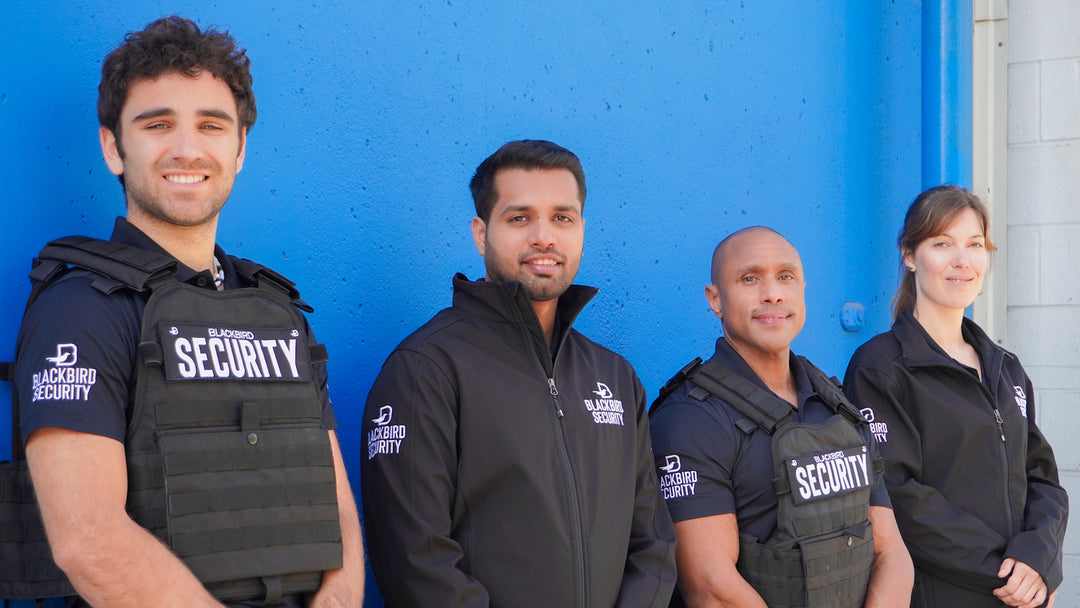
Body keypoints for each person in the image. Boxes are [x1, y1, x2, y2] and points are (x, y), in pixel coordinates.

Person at [12, 16, 364, 607]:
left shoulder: (279, 314)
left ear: (240, 148)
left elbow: (337, 514)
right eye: (157, 125)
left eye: (211, 125)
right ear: (112, 147)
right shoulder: (81, 311)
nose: (186, 149)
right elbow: (87, 541)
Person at [360, 139, 678, 607]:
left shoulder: (614, 376)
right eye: (519, 217)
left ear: (582, 230)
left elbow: (653, 545)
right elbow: (416, 562)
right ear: (480, 232)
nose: (544, 237)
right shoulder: (426, 369)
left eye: (562, 218)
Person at [649, 226, 913, 608]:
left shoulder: (837, 404)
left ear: (802, 289)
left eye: (785, 277)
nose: (772, 293)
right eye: (749, 278)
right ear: (715, 299)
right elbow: (710, 587)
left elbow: (891, 553)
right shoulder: (688, 419)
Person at [843, 185, 1068, 608]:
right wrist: (1009, 574)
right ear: (909, 255)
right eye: (942, 243)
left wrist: (1039, 560)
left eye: (974, 244)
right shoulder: (881, 368)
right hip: (942, 594)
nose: (962, 260)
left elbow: (1042, 479)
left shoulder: (1006, 368)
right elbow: (897, 494)